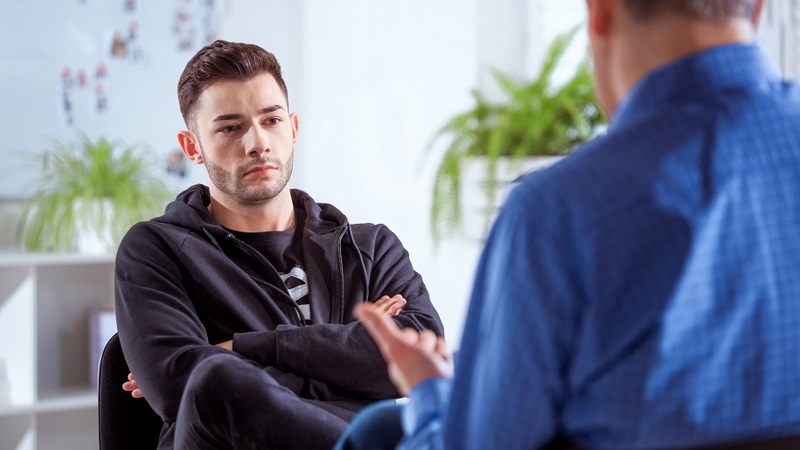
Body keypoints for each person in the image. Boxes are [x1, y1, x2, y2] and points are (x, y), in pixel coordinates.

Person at [337, 0, 800, 449]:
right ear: (757, 7)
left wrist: (428, 389)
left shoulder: (558, 212)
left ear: (599, 12)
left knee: (379, 430)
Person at [114, 40, 444, 450]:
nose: (257, 144)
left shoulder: (370, 246)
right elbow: (176, 386)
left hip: (361, 438)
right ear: (192, 147)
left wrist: (244, 346)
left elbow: (419, 355)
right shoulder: (155, 247)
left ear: (293, 128)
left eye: (271, 120)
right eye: (230, 128)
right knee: (216, 382)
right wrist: (346, 346)